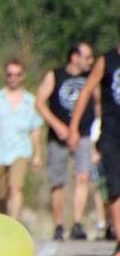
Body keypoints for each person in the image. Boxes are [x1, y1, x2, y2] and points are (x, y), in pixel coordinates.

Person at [35, 43, 97, 241]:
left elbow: (98, 104)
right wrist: (57, 125)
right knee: (58, 181)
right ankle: (59, 225)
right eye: (87, 57)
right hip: (58, 136)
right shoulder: (55, 75)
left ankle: (77, 223)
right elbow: (39, 101)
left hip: (84, 134)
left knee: (83, 177)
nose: (91, 61)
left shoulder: (91, 77)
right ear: (74, 57)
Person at [68, 34, 120, 256]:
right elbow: (86, 92)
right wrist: (73, 128)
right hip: (111, 134)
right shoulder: (106, 61)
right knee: (115, 187)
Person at [0, 59, 43, 221]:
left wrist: (37, 155)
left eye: (18, 74)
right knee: (0, 193)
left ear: (23, 76)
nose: (14, 78)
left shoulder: (31, 101)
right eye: (10, 74)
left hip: (21, 151)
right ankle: (3, 220)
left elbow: (36, 130)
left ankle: (14, 222)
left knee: (15, 188)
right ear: (5, 75)